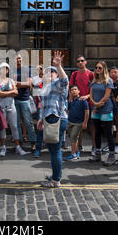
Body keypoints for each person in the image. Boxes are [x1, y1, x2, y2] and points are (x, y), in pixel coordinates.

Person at [37, 51, 68, 188]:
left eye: (52, 72)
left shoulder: (57, 84)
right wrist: (40, 118)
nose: (49, 73)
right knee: (53, 150)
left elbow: (65, 81)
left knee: (55, 150)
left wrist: (59, 65)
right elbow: (43, 106)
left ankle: (56, 180)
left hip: (56, 119)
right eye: (47, 72)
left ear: (56, 74)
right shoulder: (46, 87)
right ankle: (56, 175)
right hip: (49, 119)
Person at [0, 62, 29, 157]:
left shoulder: (11, 80)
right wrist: (10, 92)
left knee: (14, 126)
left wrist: (5, 92)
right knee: (2, 127)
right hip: (1, 106)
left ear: (7, 70)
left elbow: (16, 92)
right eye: (2, 68)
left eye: (5, 69)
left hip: (11, 105)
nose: (3, 70)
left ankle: (18, 147)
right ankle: (3, 146)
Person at [88, 61, 115, 165]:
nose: (97, 69)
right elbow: (91, 95)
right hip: (95, 109)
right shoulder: (94, 81)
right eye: (96, 67)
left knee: (108, 133)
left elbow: (106, 96)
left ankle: (111, 155)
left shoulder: (108, 81)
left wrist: (98, 104)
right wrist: (95, 104)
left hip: (105, 109)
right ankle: (98, 153)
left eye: (99, 67)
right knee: (96, 132)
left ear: (104, 69)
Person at [69, 55, 95, 154]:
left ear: (85, 62)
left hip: (89, 103)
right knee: (78, 126)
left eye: (82, 61)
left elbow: (94, 89)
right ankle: (78, 146)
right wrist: (70, 96)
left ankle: (94, 147)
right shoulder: (74, 74)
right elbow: (70, 86)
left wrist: (87, 96)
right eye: (78, 61)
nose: (80, 62)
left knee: (92, 126)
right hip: (77, 104)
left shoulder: (91, 74)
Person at [13, 54, 36, 151]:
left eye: (20, 58)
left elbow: (29, 84)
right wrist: (19, 84)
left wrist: (17, 84)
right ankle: (20, 142)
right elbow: (10, 83)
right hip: (14, 99)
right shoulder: (12, 70)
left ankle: (33, 142)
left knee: (28, 122)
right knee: (16, 123)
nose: (18, 60)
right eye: (17, 58)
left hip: (25, 99)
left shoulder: (26, 69)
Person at [64, 85, 89, 161]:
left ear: (79, 91)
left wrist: (85, 122)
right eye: (71, 90)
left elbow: (87, 112)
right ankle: (77, 152)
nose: (73, 91)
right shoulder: (70, 101)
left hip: (78, 122)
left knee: (74, 137)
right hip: (70, 121)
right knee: (72, 137)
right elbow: (67, 111)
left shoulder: (82, 100)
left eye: (75, 89)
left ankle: (73, 154)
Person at [107, 66, 118, 154]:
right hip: (109, 107)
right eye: (112, 72)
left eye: (115, 72)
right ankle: (110, 143)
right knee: (109, 126)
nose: (113, 73)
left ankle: (117, 144)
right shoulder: (107, 82)